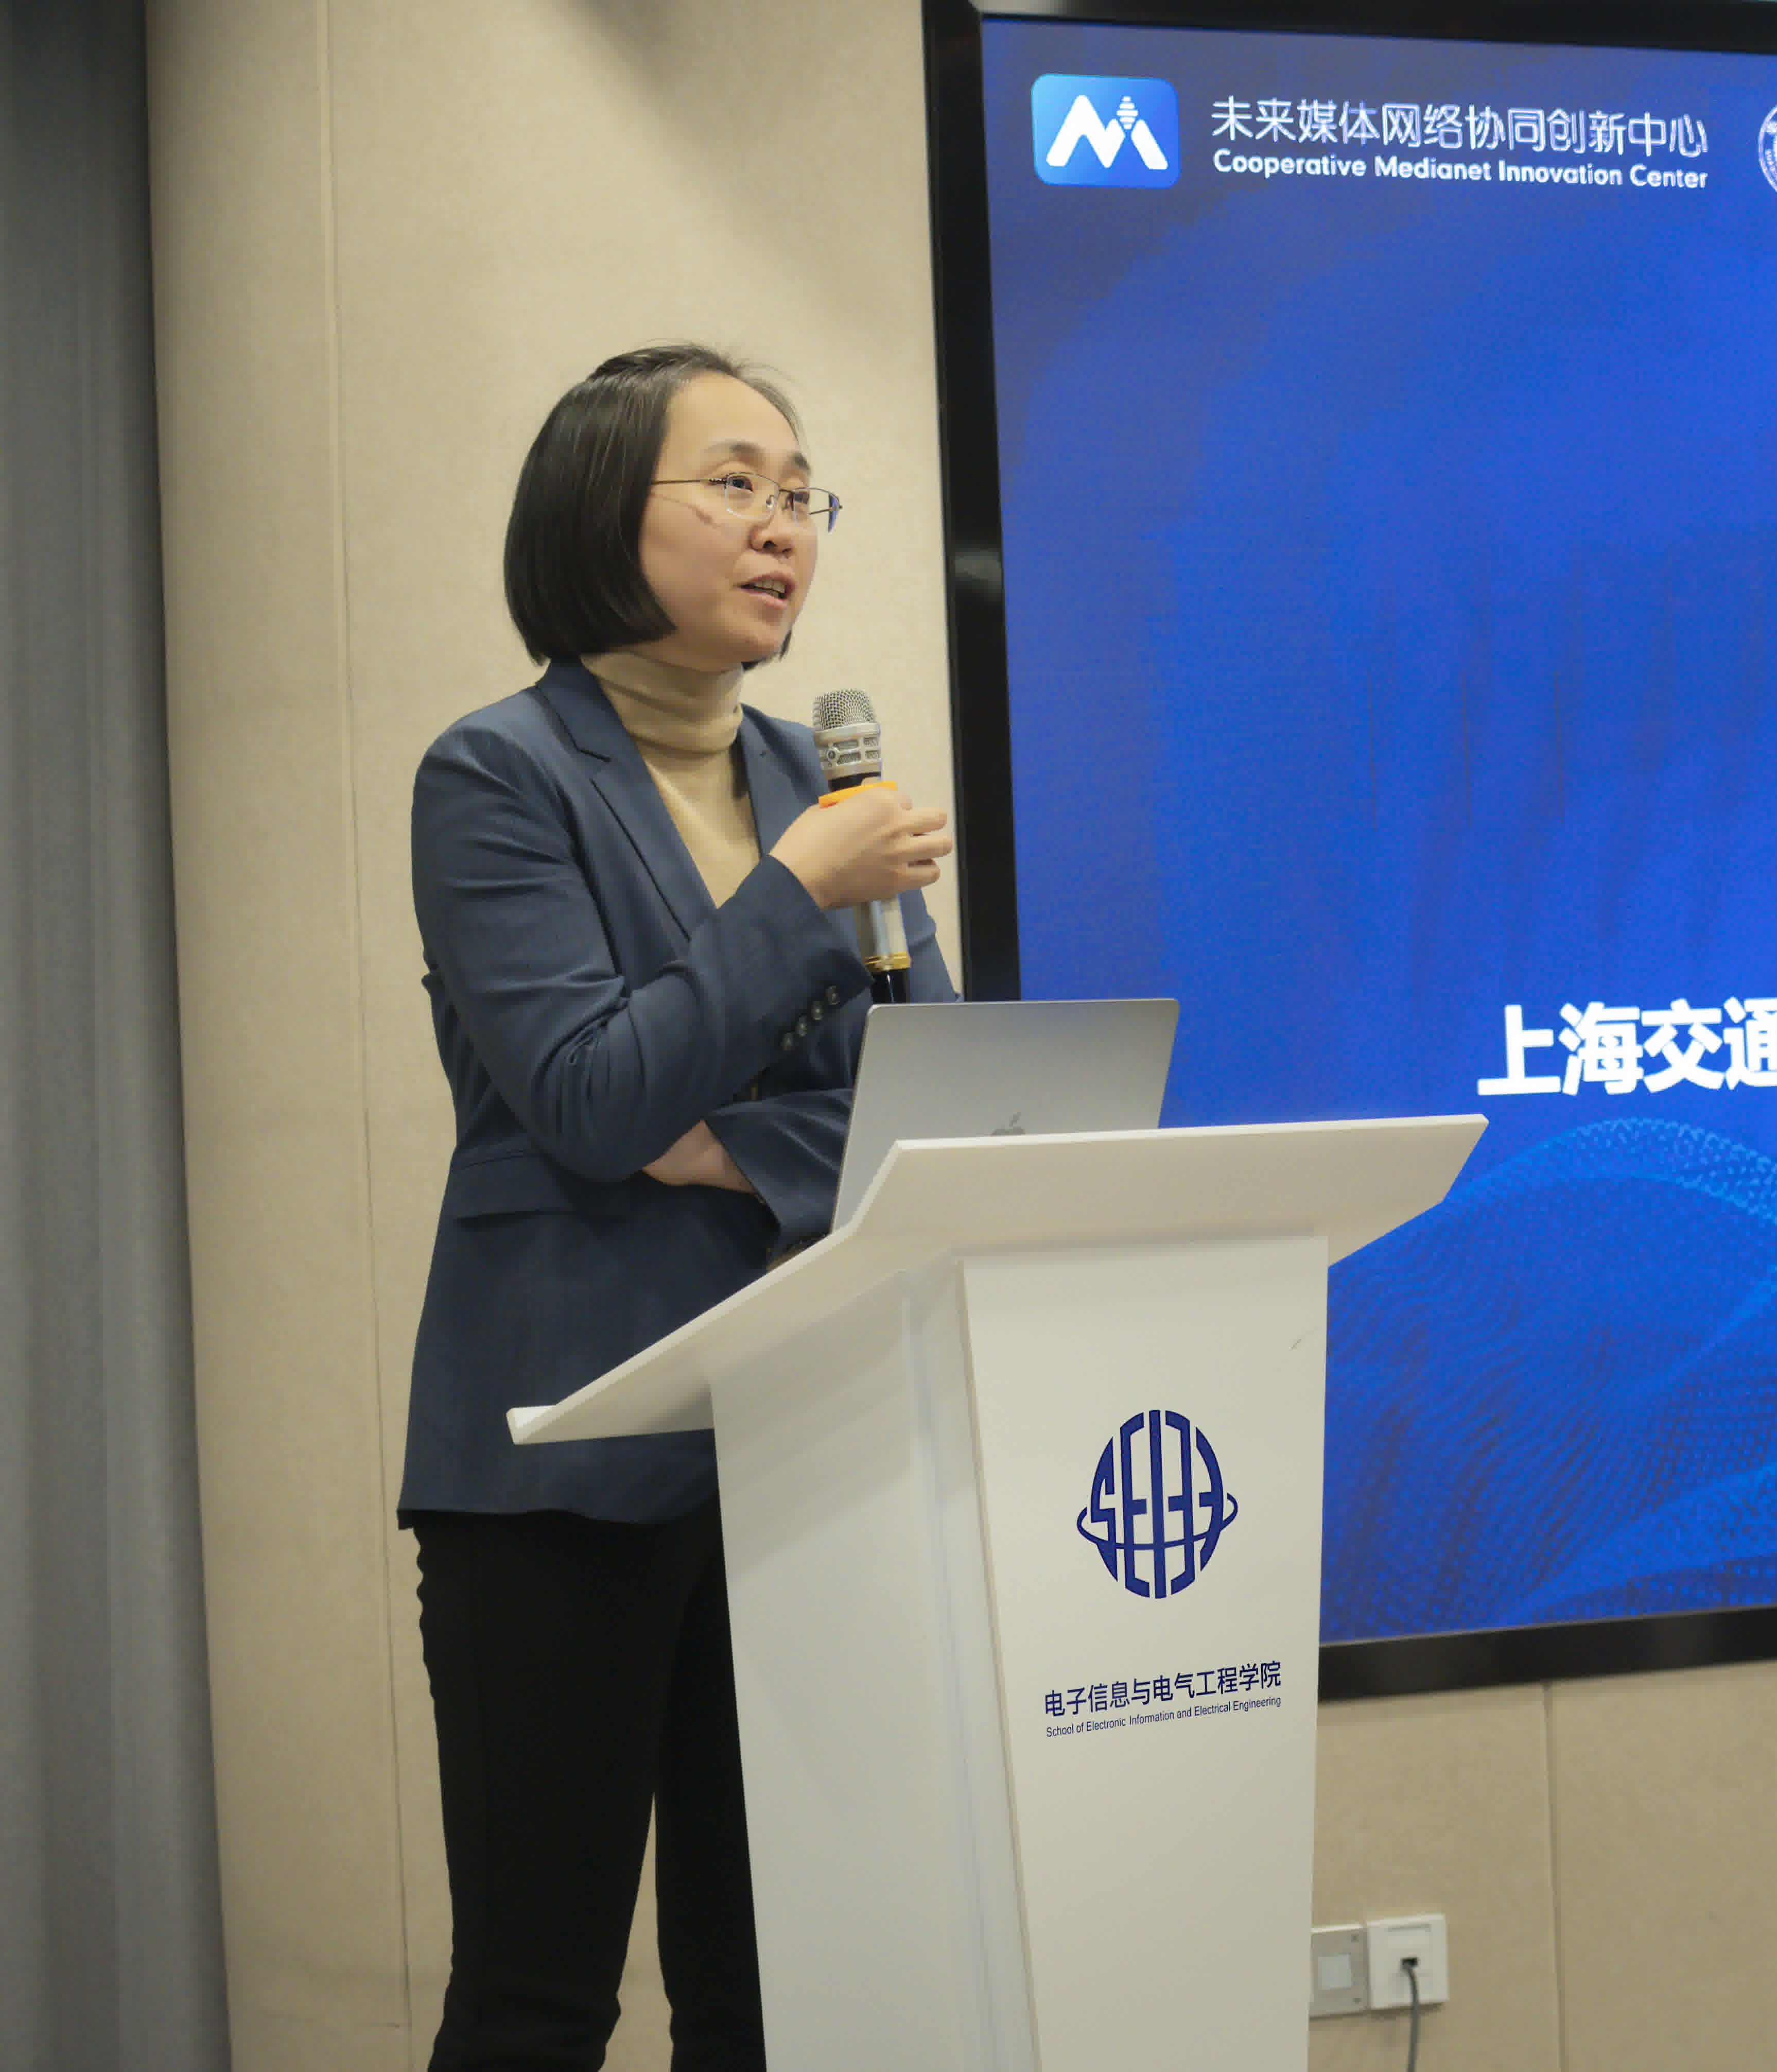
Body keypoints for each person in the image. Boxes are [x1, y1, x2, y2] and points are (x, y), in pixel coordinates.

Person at [400, 344, 956, 2070]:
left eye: (802, 494)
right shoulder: (498, 778)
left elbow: (933, 1107)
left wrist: (721, 1141)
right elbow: (594, 1098)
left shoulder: (821, 782)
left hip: (806, 1445)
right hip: (567, 1457)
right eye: (734, 485)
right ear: (599, 510)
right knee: (537, 2001)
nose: (783, 526)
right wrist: (794, 897)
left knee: (774, 1998)